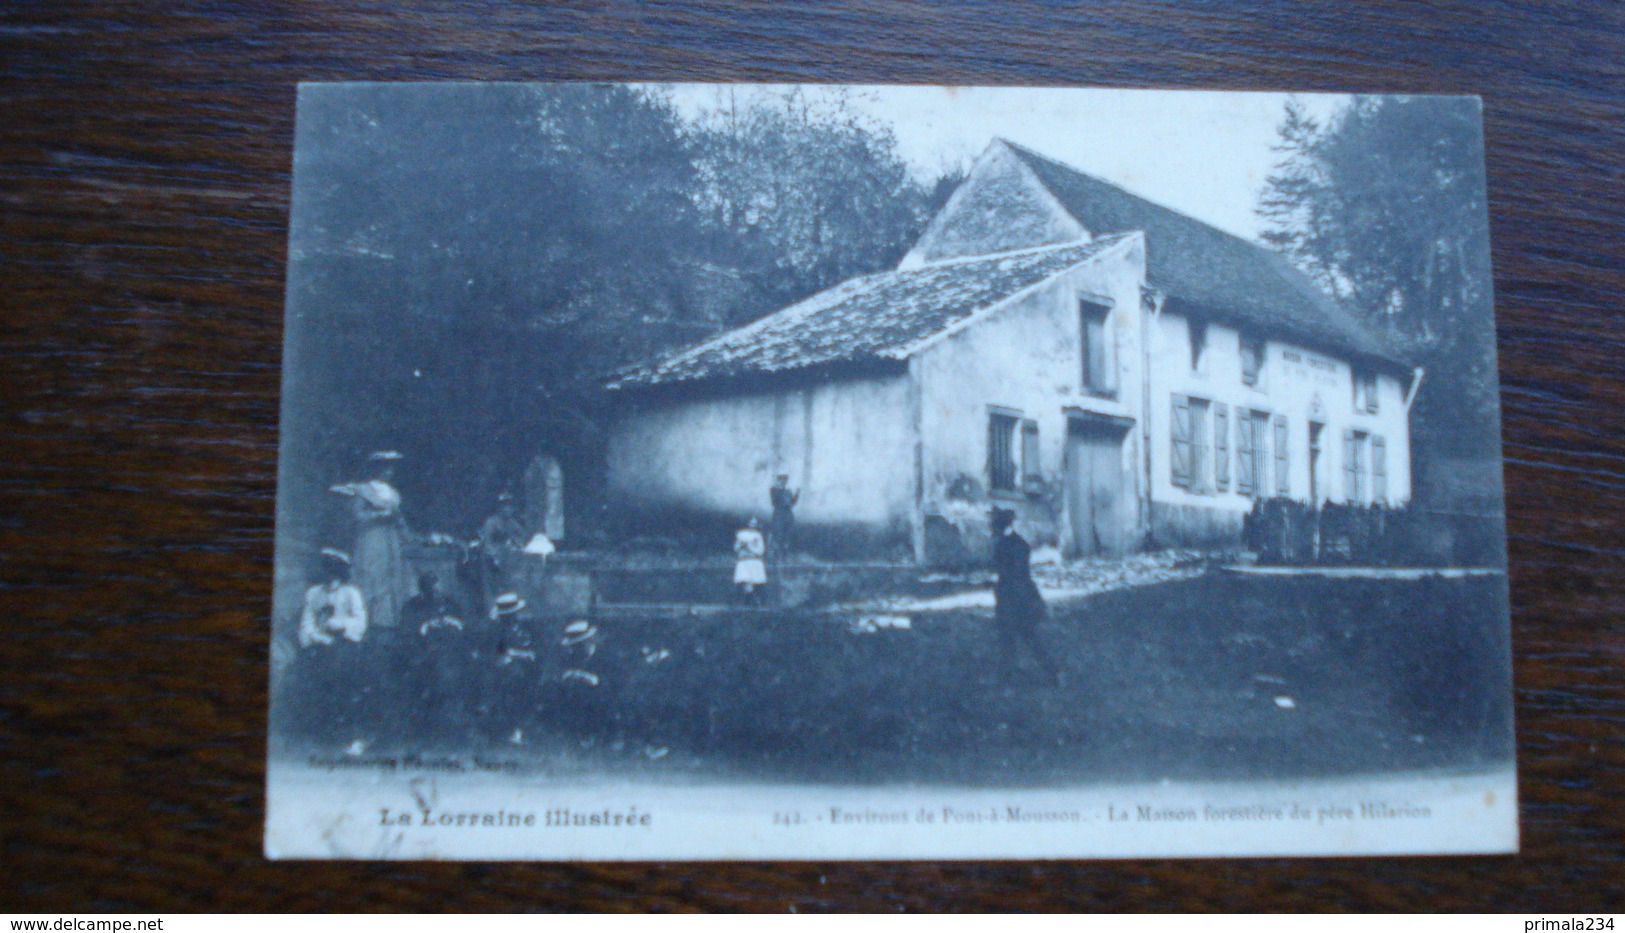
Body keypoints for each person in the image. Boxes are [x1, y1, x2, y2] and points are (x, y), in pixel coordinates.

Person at [331, 451, 412, 633]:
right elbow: (357, 516)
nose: (388, 471)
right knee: (370, 573)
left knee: (390, 576)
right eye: (384, 466)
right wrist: (379, 515)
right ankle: (364, 620)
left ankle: (386, 622)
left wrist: (408, 536)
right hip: (371, 539)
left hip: (390, 540)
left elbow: (400, 521)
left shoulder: (393, 493)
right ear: (376, 468)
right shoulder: (363, 490)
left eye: (391, 467)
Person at [295, 548, 369, 744]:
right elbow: (306, 622)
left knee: (341, 673)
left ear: (339, 572)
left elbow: (360, 621)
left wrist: (340, 624)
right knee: (306, 671)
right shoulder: (314, 593)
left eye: (333, 570)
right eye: (326, 569)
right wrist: (316, 636)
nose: (328, 574)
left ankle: (351, 731)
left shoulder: (351, 593)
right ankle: (321, 729)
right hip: (319, 643)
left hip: (345, 643)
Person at [990, 508, 1060, 686]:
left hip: (1014, 594)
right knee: (1020, 636)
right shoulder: (1018, 542)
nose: (991, 528)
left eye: (993, 524)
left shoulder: (1007, 545)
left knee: (1019, 635)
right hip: (1020, 592)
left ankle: (1051, 672)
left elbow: (1011, 572)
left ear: (999, 525)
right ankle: (1014, 674)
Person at [402, 571, 468, 742]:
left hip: (451, 652)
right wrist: (426, 626)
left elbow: (463, 626)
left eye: (436, 587)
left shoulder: (451, 603)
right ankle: (428, 725)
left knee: (452, 676)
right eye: (430, 588)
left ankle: (451, 724)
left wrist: (450, 624)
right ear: (422, 589)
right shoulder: (412, 606)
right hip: (423, 652)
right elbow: (407, 631)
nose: (435, 591)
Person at [478, 492, 527, 618]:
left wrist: (517, 547)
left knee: (508, 587)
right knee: (492, 588)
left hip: (508, 563)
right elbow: (487, 543)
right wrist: (494, 557)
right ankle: (492, 612)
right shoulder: (492, 522)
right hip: (492, 561)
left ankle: (510, 611)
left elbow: (521, 540)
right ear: (498, 508)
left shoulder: (513, 523)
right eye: (503, 506)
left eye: (509, 506)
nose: (507, 509)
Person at [733, 517, 768, 605]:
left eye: (754, 523)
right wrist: (741, 545)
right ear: (747, 523)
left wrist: (750, 547)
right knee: (745, 580)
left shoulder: (758, 535)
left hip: (754, 560)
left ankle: (753, 600)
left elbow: (761, 550)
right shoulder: (741, 534)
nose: (752, 525)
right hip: (744, 560)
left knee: (753, 581)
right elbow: (735, 548)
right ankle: (747, 600)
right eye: (751, 523)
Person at [768, 474, 800, 559]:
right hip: (779, 514)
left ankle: (785, 556)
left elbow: (792, 503)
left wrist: (797, 495)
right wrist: (786, 502)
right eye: (781, 480)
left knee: (787, 535)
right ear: (778, 481)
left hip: (788, 515)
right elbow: (774, 502)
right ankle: (775, 555)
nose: (783, 482)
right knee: (778, 534)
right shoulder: (774, 490)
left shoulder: (788, 492)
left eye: (785, 480)